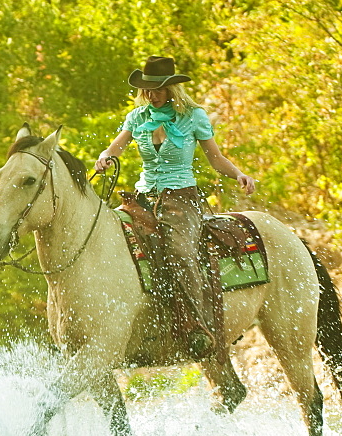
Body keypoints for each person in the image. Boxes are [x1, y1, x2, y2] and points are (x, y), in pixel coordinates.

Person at [94, 55, 256, 360]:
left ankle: (197, 325)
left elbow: (215, 159)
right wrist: (104, 156)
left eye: (157, 89)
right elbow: (116, 146)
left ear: (171, 89)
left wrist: (239, 174)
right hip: (143, 197)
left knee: (180, 251)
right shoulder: (138, 118)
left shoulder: (193, 117)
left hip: (180, 197)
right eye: (147, 89)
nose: (151, 94)